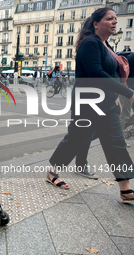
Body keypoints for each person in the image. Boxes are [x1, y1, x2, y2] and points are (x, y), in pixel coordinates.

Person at [47, 7, 134, 204]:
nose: (114, 22)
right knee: (76, 139)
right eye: (109, 18)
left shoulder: (106, 45)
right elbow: (97, 74)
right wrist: (129, 94)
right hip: (88, 102)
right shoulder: (90, 44)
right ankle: (52, 171)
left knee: (116, 142)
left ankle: (125, 188)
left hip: (108, 103)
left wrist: (116, 97)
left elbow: (110, 74)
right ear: (96, 23)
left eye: (116, 19)